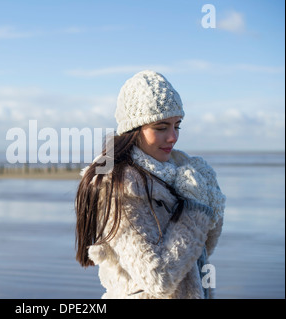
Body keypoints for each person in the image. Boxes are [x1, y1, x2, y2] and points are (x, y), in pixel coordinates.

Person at [75, 70, 226, 299]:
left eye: (177, 125)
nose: (173, 137)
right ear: (133, 131)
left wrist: (208, 193)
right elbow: (159, 279)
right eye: (161, 127)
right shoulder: (118, 187)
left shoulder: (183, 172)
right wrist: (195, 208)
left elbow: (202, 251)